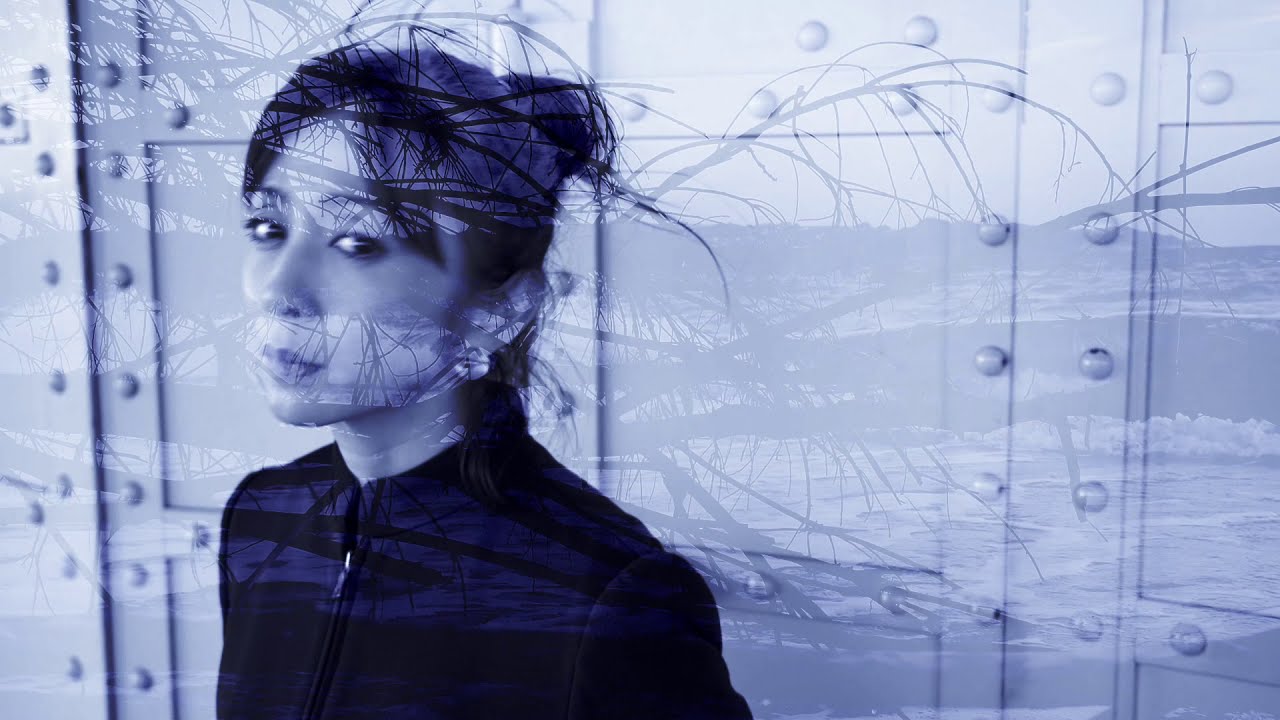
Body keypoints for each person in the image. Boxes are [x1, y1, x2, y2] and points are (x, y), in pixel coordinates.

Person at [215, 16, 754, 720]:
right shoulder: (262, 516)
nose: (279, 289)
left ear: (497, 310)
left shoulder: (609, 594)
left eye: (357, 242)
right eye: (269, 227)